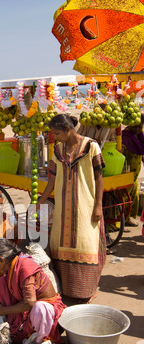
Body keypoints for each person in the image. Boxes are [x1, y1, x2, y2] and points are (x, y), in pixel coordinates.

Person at [37, 114, 106, 303]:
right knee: (59, 243)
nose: (55, 137)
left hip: (86, 206)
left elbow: (99, 177)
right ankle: (66, 289)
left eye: (57, 133)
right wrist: (41, 200)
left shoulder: (91, 146)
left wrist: (98, 205)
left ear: (68, 130)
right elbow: (52, 178)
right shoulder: (57, 150)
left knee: (86, 243)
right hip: (63, 207)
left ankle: (87, 289)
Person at [0, 239, 66, 344]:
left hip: (47, 315)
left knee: (40, 309)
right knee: (0, 285)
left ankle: (42, 338)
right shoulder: (11, 267)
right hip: (29, 310)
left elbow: (30, 303)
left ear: (1, 260)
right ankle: (17, 324)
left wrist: (2, 311)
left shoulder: (25, 267)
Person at [121, 114, 144, 226]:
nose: (137, 129)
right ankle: (120, 221)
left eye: (140, 127)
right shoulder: (125, 136)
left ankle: (129, 217)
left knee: (134, 197)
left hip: (136, 173)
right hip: (126, 171)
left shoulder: (140, 136)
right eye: (135, 126)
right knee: (124, 196)